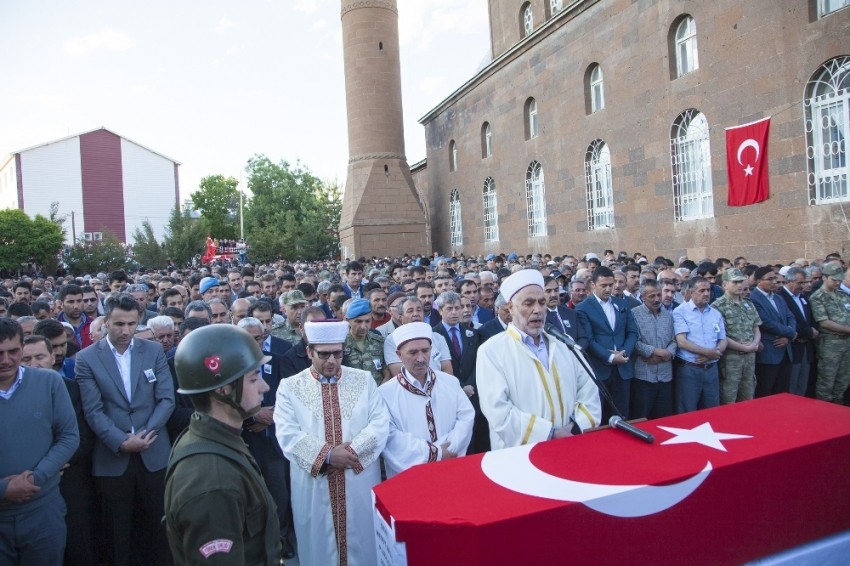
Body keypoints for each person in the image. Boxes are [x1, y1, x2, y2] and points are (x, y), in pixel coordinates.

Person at [274, 320, 389, 566]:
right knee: (318, 546)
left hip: (358, 478)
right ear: (309, 352)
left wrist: (350, 453)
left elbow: (380, 423)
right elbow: (287, 433)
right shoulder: (290, 387)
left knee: (363, 540)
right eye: (323, 354)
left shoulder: (364, 380)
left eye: (337, 353)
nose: (332, 361)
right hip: (313, 485)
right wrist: (326, 456)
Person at [165, 323, 282, 565]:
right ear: (223, 390)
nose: (265, 387)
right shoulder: (212, 480)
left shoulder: (218, 439)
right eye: (253, 379)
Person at [76, 293, 175, 566]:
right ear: (106, 321)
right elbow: (93, 410)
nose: (126, 331)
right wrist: (121, 442)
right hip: (112, 458)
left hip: (154, 453)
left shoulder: (154, 351)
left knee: (160, 530)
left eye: (132, 324)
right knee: (116, 535)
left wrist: (146, 435)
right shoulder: (86, 359)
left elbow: (166, 399)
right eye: (119, 324)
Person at [476, 270, 601, 450]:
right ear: (510, 307)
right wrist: (550, 434)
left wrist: (575, 427)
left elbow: (589, 392)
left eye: (542, 302)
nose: (537, 310)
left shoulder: (565, 344)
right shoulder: (491, 351)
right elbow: (498, 412)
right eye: (529, 303)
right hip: (523, 456)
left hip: (572, 443)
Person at [0, 319, 79, 565]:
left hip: (42, 512)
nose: (5, 360)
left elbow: (68, 436)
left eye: (13, 351)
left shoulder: (49, 382)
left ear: (23, 347)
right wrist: (4, 491)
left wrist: (36, 478)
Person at [379, 322, 474, 478]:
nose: (421, 358)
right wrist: (434, 453)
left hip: (451, 466)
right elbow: (390, 437)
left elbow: (466, 417)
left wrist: (450, 449)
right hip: (410, 477)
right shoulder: (385, 393)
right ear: (399, 354)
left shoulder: (450, 382)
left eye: (425, 350)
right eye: (413, 352)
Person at [576, 266, 638, 421]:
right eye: (604, 285)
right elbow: (589, 340)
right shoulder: (583, 308)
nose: (609, 289)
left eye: (611, 285)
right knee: (601, 416)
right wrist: (610, 357)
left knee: (622, 414)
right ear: (593, 285)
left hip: (623, 368)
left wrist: (624, 353)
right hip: (600, 370)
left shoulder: (622, 305)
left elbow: (632, 333)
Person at [672, 277, 727, 414]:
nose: (707, 294)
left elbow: (723, 339)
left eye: (708, 290)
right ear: (691, 292)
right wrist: (709, 353)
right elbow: (682, 341)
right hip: (690, 369)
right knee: (687, 411)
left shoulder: (716, 313)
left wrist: (715, 353)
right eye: (702, 290)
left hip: (711, 368)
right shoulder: (680, 312)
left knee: (712, 410)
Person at [712, 268, 762, 404]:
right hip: (731, 360)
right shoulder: (717, 306)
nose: (740, 285)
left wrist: (754, 344)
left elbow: (756, 327)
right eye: (735, 282)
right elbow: (720, 335)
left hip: (750, 357)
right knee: (728, 398)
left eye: (741, 281)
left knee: (748, 397)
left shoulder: (748, 304)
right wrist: (743, 347)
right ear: (724, 285)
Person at [630, 280, 676, 420]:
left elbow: (674, 340)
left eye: (658, 295)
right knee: (642, 417)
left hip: (665, 375)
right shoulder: (634, 314)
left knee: (663, 418)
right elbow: (633, 341)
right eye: (652, 296)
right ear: (643, 296)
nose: (657, 299)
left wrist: (668, 353)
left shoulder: (668, 315)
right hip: (644, 375)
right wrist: (654, 351)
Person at [749, 266, 796, 397]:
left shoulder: (778, 297)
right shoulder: (753, 298)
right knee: (765, 392)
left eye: (775, 278)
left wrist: (789, 335)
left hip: (785, 351)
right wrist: (790, 332)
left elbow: (790, 316)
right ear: (759, 281)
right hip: (768, 353)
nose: (774, 281)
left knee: (782, 392)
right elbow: (766, 322)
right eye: (770, 279)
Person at [808, 263, 850, 403]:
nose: (837, 283)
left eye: (840, 280)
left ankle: (838, 406)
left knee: (843, 380)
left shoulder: (843, 295)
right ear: (825, 277)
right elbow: (824, 322)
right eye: (834, 280)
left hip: (847, 343)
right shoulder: (818, 297)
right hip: (830, 344)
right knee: (827, 380)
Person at [343, 298, 389, 385]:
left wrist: (380, 392)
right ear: (348, 320)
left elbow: (387, 371)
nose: (363, 326)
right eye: (358, 322)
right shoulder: (341, 344)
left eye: (367, 321)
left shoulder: (379, 342)